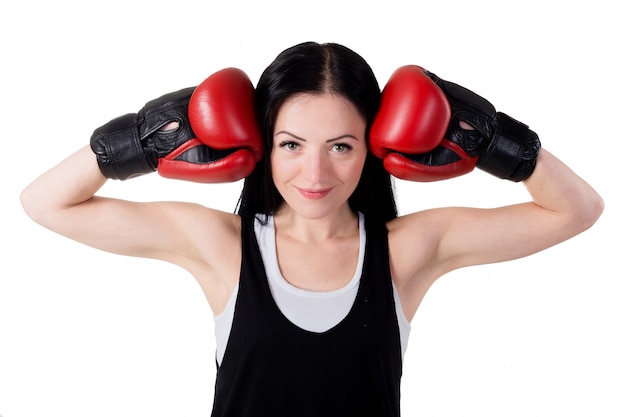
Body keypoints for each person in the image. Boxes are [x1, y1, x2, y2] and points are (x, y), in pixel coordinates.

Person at [20, 42, 604, 416]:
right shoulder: (223, 246)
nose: (315, 173)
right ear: (264, 146)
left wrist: (492, 138)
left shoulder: (406, 251)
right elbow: (46, 203)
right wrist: (145, 139)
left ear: (374, 148)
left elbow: (577, 210)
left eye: (341, 147)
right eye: (292, 145)